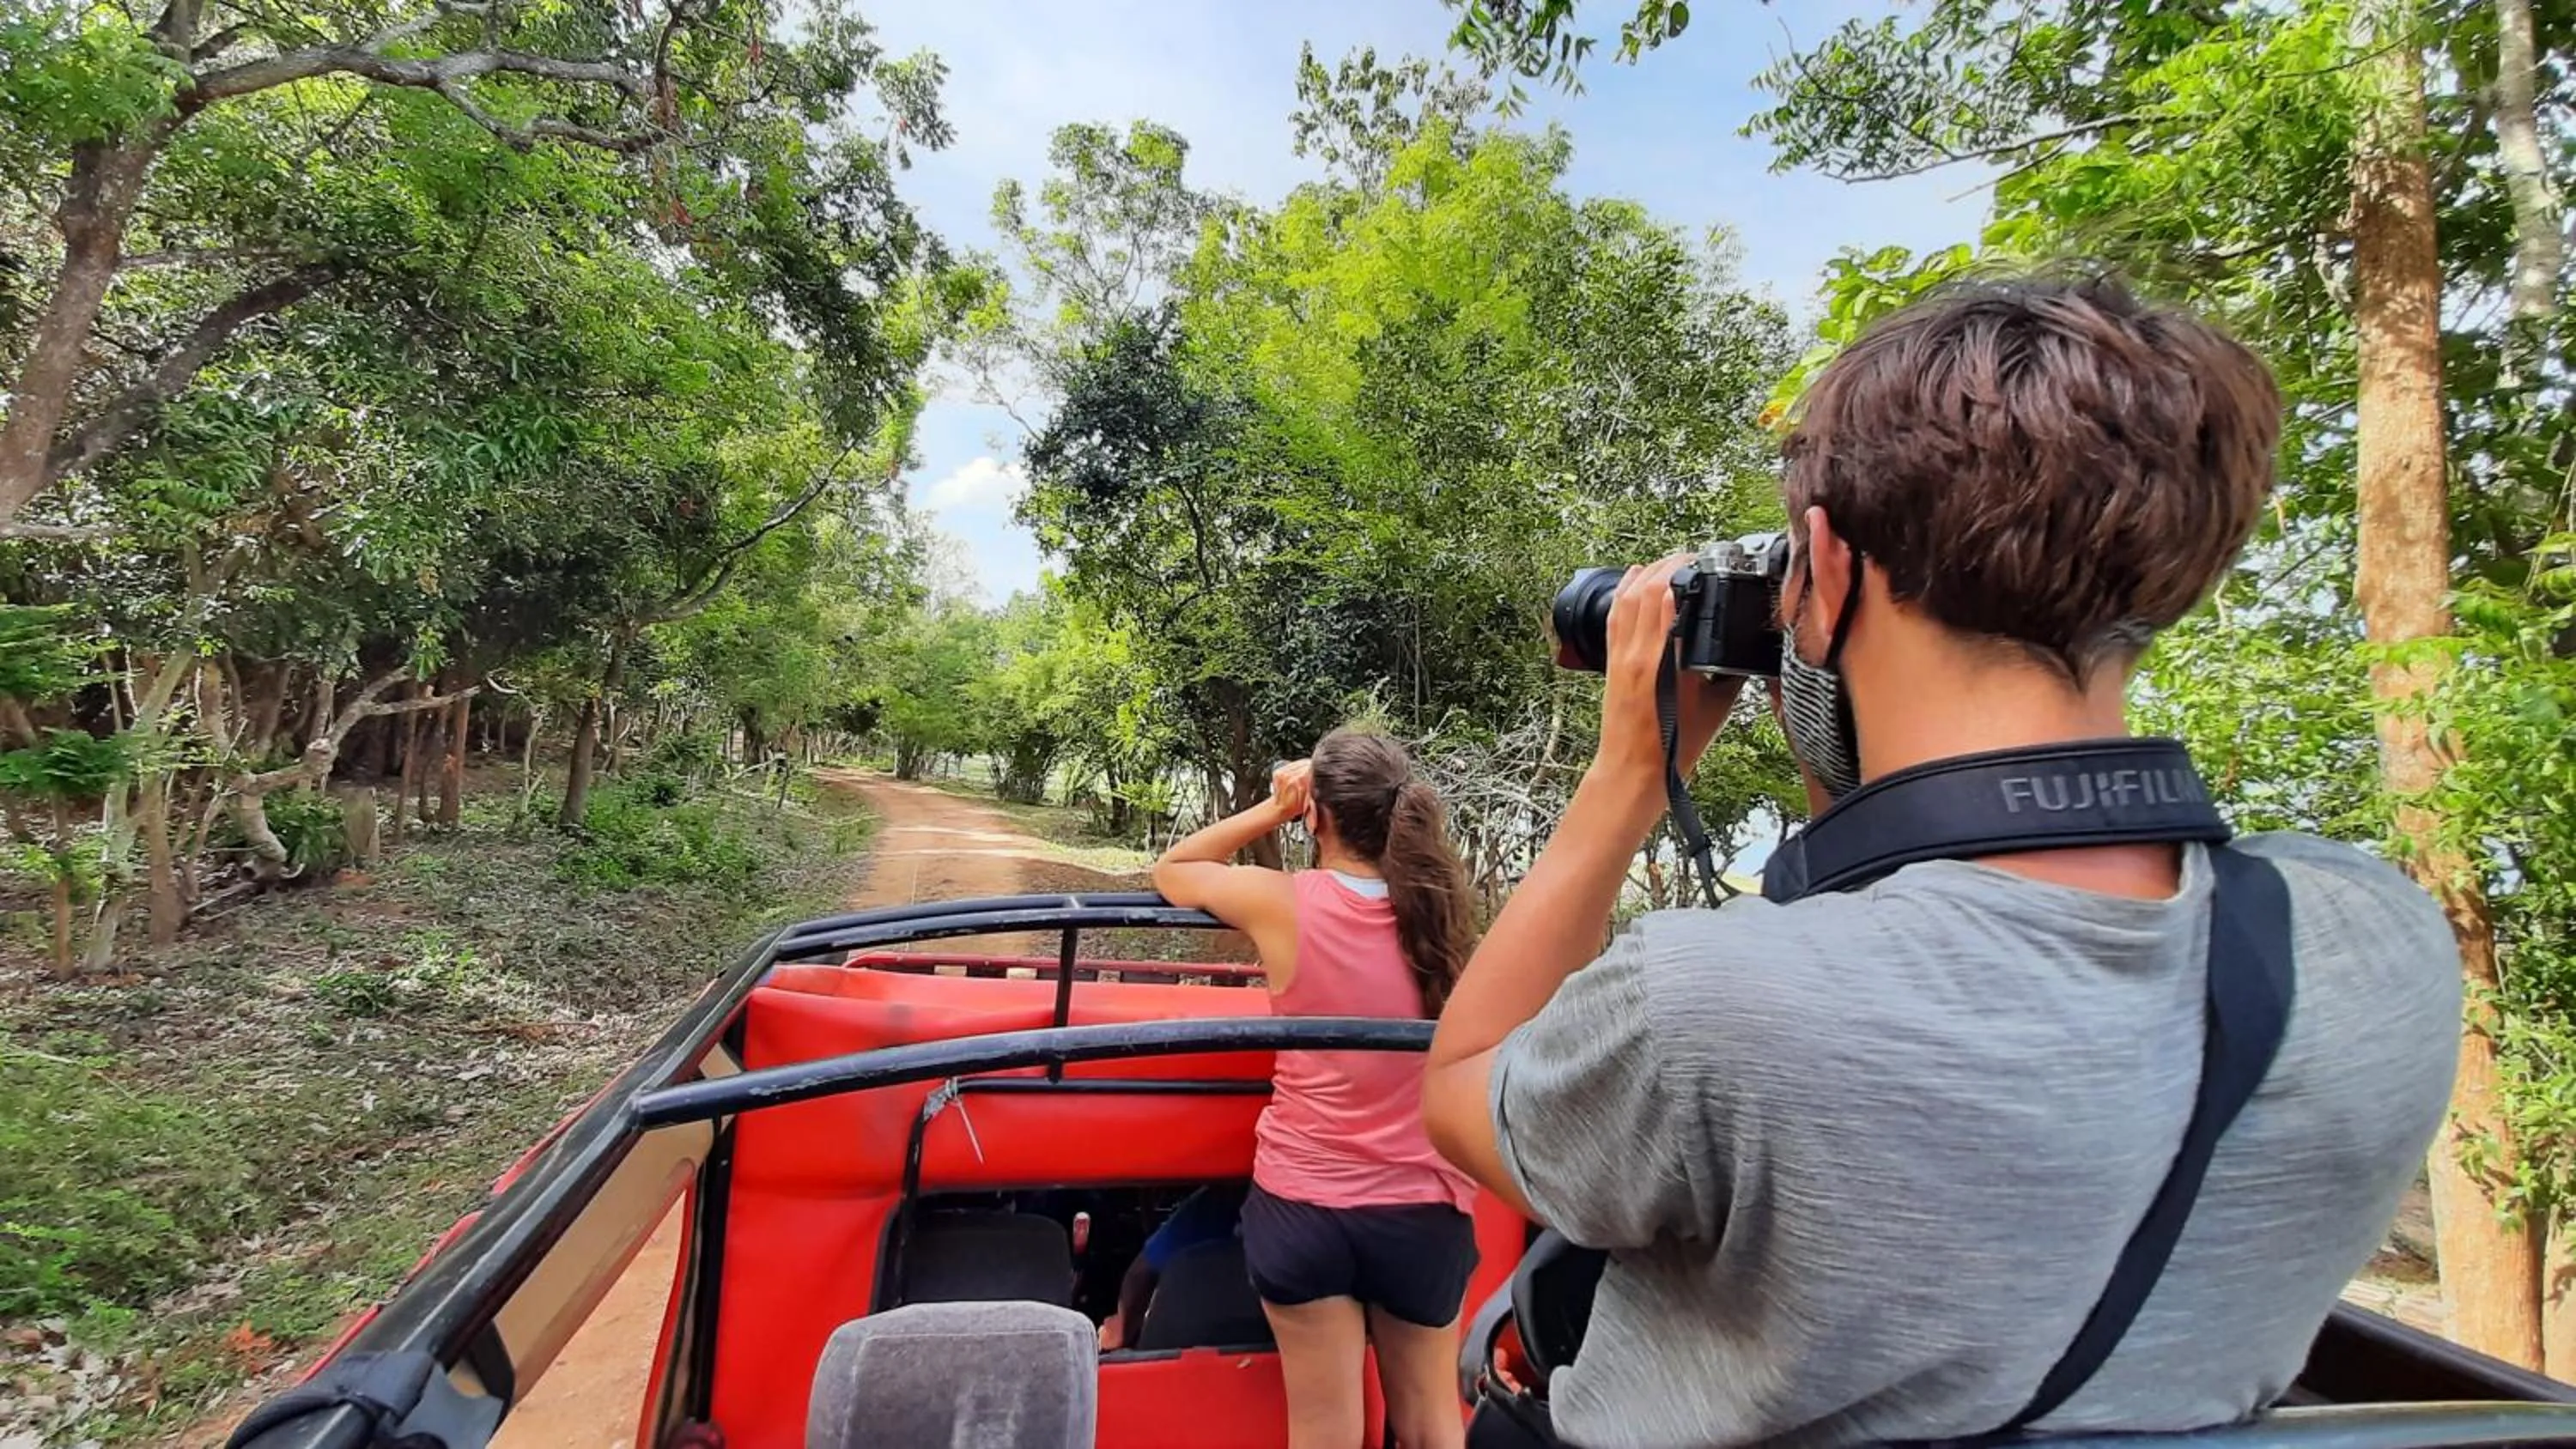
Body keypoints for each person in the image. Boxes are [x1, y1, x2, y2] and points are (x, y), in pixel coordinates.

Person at [1419, 276, 2463, 1449]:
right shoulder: (2380, 943)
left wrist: (1628, 776)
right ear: (2181, 560)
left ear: (1826, 563)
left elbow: (1461, 1089)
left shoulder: (1710, 1007)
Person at [1154, 730, 1483, 1449]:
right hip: (1422, 1214)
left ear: (1318, 816)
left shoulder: (1285, 903)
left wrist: (1273, 809)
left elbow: (1175, 867)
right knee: (1432, 1424)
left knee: (1325, 1433)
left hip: (1306, 1209)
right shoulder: (1442, 914)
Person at [1098, 1183, 1249, 1351]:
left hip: (1185, 1354)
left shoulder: (1217, 1203)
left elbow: (1141, 1272)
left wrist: (1123, 1328)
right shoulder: (1220, 1203)